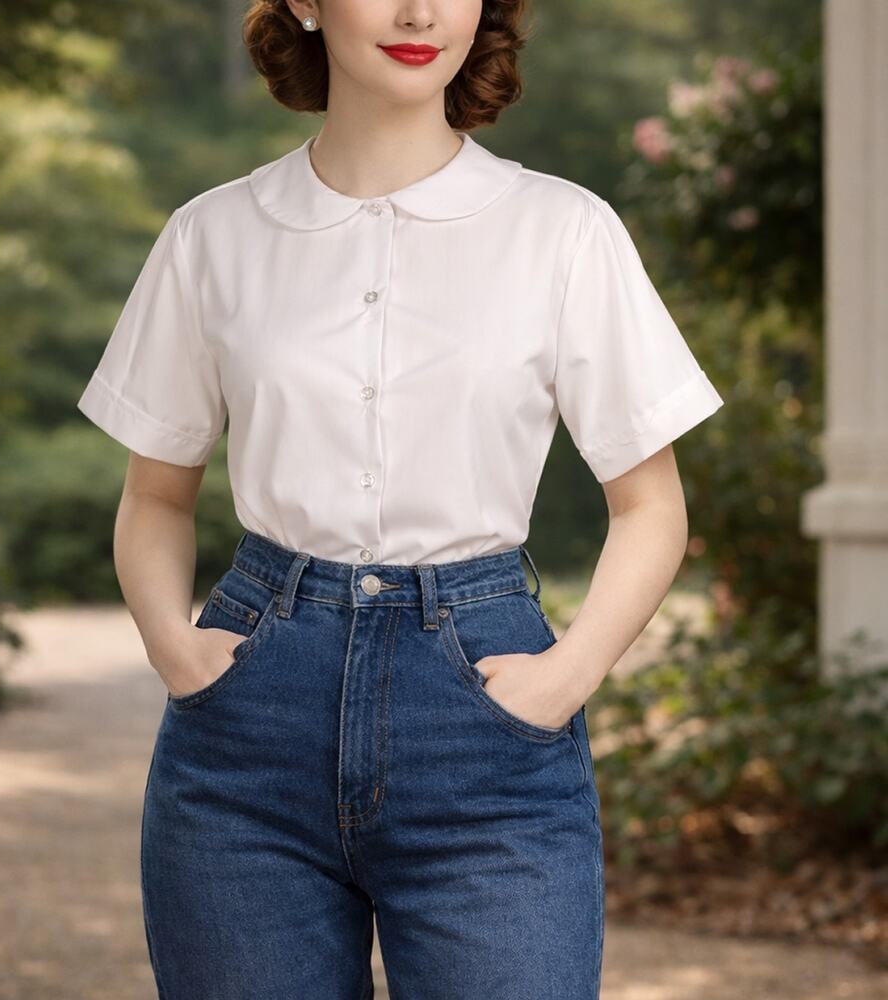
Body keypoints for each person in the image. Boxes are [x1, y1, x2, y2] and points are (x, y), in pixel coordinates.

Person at [76, 1, 724, 997]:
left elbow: (651, 506)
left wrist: (567, 676)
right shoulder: (213, 234)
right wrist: (175, 647)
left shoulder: (562, 230)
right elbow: (157, 495)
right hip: (247, 729)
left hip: (485, 715)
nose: (421, 10)